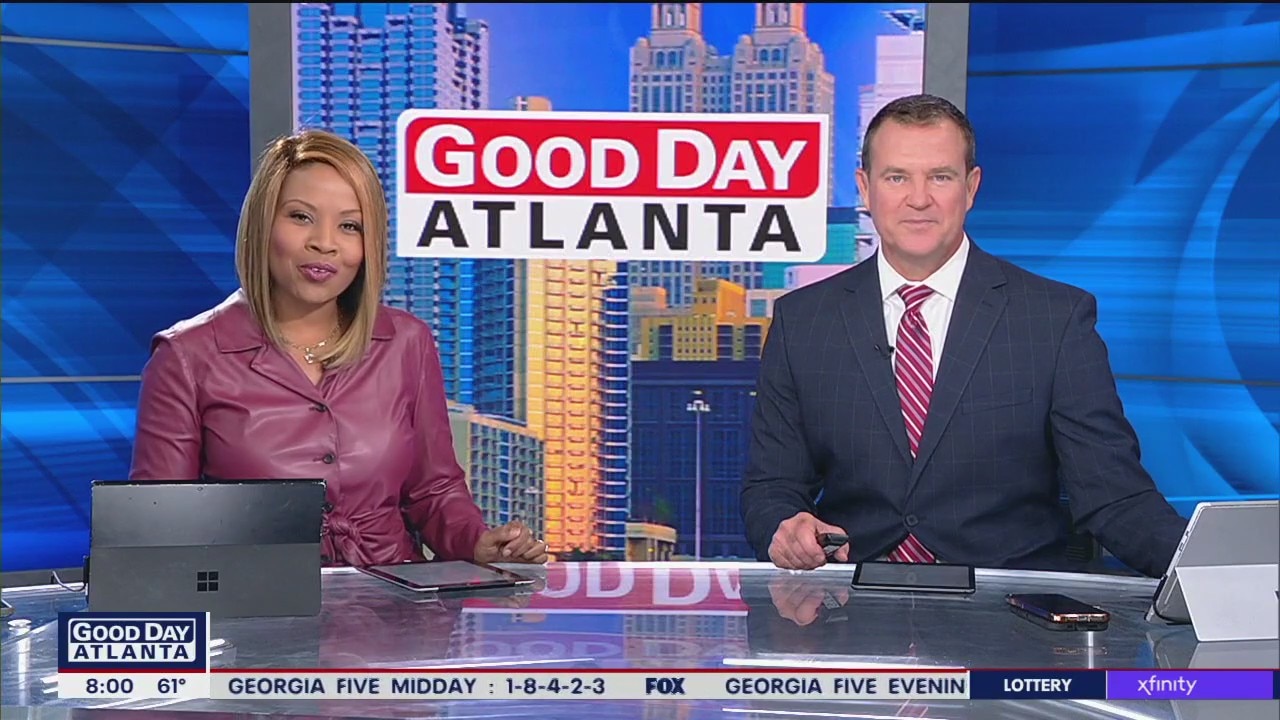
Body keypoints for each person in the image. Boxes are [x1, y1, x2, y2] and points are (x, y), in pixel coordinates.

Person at [741, 94, 1187, 578]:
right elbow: (771, 488)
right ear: (865, 189)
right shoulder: (803, 321)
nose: (918, 199)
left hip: (1008, 608)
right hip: (854, 601)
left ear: (970, 187)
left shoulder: (1054, 320)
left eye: (940, 177)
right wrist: (783, 527)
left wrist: (1212, 576)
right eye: (896, 177)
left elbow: (1114, 497)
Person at [130, 129, 548, 568]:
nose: (325, 243)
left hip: (395, 596)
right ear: (261, 225)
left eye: (350, 226)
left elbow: (434, 490)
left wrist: (476, 543)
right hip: (256, 601)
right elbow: (160, 530)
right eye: (301, 217)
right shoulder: (186, 356)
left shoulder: (407, 342)